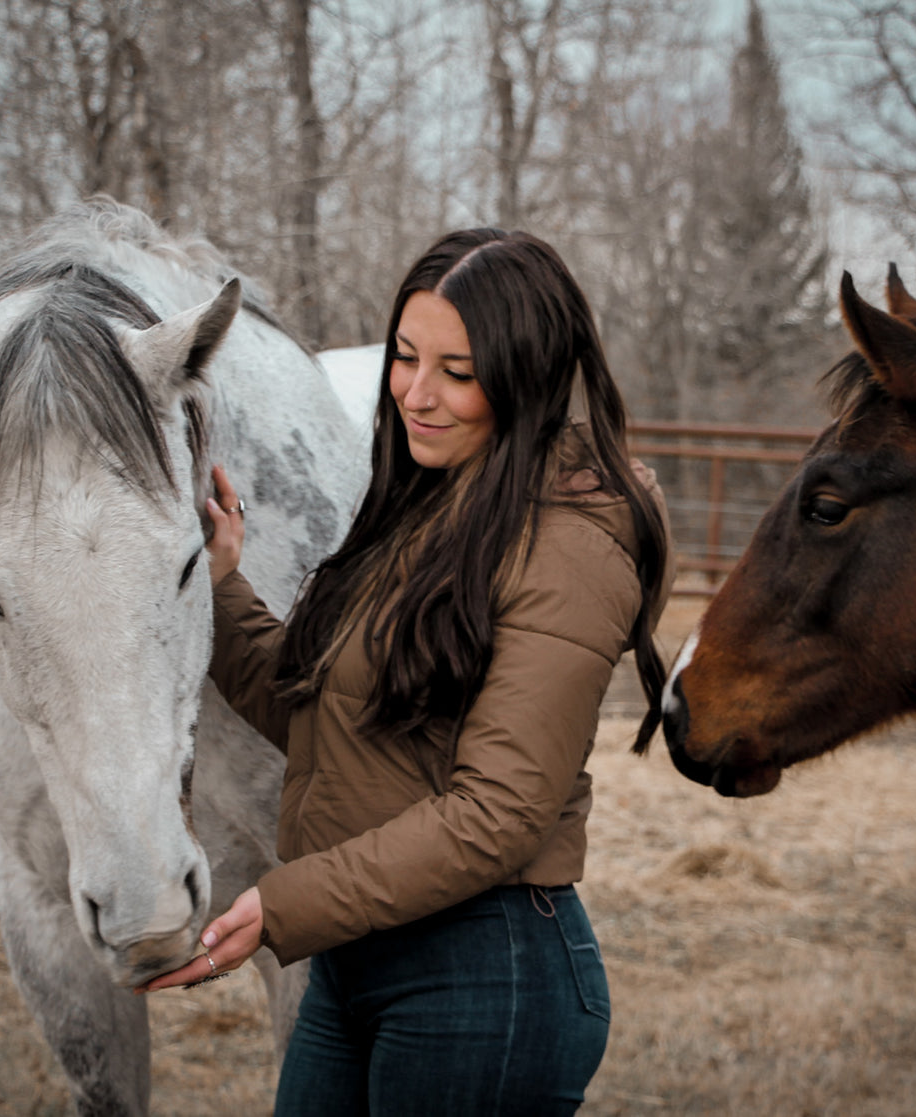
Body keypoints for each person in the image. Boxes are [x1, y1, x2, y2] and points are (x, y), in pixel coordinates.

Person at [140, 227, 674, 1115]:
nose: (416, 394)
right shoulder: (426, 508)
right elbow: (325, 723)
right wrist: (225, 587)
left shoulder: (570, 542)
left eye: (456, 372)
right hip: (355, 958)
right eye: (405, 357)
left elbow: (499, 812)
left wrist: (284, 903)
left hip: (483, 977)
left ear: (526, 375)